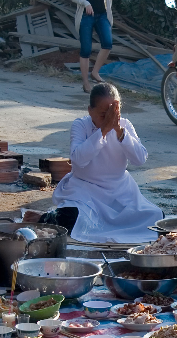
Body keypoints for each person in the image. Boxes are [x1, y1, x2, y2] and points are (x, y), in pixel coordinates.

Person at [45, 83, 162, 243]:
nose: (109, 119)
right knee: (70, 219)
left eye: (112, 114)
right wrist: (103, 131)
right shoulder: (81, 125)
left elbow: (140, 159)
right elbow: (78, 159)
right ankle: (44, 217)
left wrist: (120, 132)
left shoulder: (125, 126)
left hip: (121, 192)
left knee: (156, 218)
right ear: (90, 110)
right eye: (102, 115)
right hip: (86, 191)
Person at [71, 0, 124, 93]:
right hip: (86, 16)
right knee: (86, 49)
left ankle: (95, 72)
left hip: (102, 15)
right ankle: (86, 82)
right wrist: (85, 3)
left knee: (107, 43)